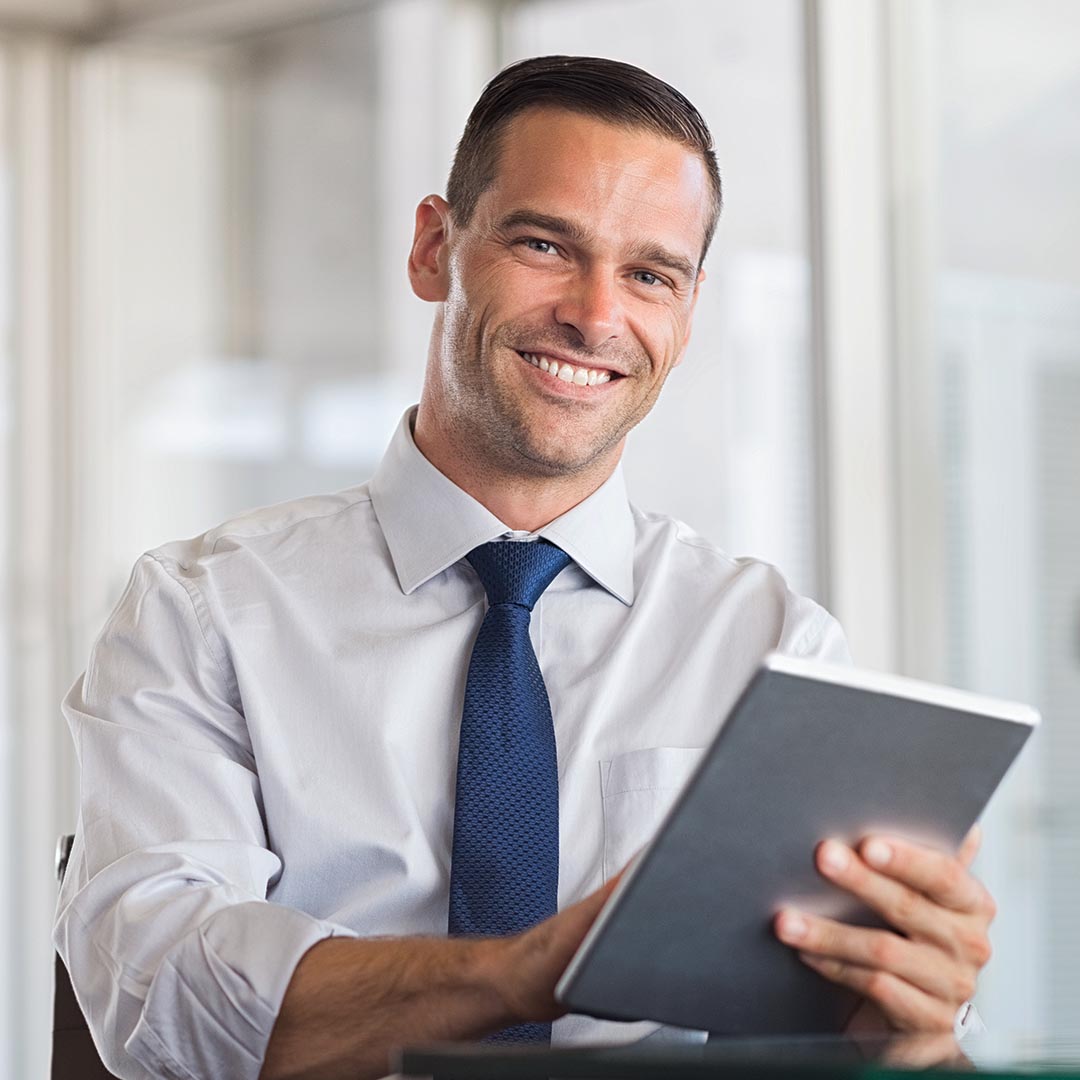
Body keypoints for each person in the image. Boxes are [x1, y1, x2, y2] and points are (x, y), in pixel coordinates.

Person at [54, 56, 995, 1080]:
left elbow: (820, 1042)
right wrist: (530, 969)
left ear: (686, 311)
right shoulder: (202, 612)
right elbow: (162, 1005)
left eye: (649, 274)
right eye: (546, 244)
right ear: (432, 248)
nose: (596, 316)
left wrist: (909, 1030)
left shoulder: (773, 644)